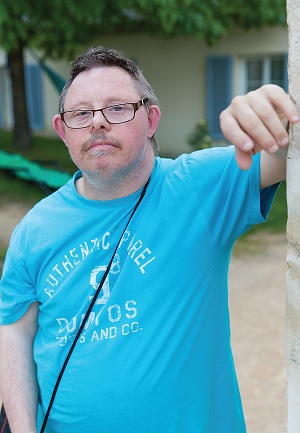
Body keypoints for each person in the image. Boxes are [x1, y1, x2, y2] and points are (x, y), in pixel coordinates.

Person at [0, 46, 298, 433]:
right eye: (81, 113)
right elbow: (15, 329)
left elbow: (286, 155)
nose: (98, 124)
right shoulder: (34, 228)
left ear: (151, 118)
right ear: (62, 130)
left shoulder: (198, 187)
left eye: (118, 108)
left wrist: (275, 116)